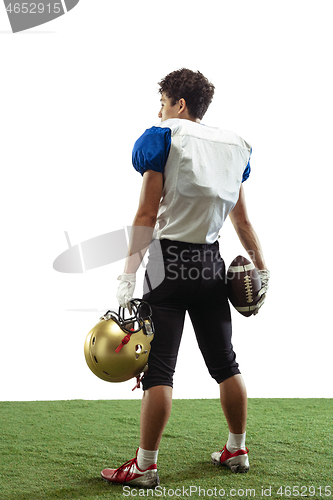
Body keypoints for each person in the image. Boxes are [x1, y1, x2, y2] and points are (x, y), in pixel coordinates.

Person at [101, 68, 270, 487]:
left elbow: (145, 214)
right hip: (211, 264)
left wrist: (127, 275)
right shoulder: (236, 145)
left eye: (162, 102)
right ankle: (237, 449)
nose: (159, 111)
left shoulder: (163, 137)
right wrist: (261, 267)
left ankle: (145, 467)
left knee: (159, 370)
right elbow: (243, 221)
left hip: (168, 262)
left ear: (179, 104)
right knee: (225, 362)